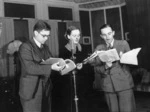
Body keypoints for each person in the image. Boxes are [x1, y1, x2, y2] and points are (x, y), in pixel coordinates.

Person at [89, 24, 136, 112]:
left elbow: (133, 64)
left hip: (124, 83)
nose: (107, 37)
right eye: (104, 35)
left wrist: (125, 59)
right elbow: (95, 68)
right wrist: (105, 66)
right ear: (101, 36)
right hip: (108, 85)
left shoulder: (123, 44)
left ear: (113, 33)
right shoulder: (99, 48)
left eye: (109, 33)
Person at [18, 20, 61, 112]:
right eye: (44, 35)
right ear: (35, 33)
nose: (46, 38)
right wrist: (51, 67)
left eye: (48, 36)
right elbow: (29, 68)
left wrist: (60, 63)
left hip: (46, 88)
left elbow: (50, 60)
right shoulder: (25, 46)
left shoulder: (45, 47)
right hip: (31, 90)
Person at [52, 26, 94, 112]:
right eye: (74, 35)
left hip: (83, 82)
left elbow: (88, 65)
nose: (77, 38)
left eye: (78, 35)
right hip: (69, 82)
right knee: (70, 104)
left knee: (84, 103)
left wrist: (83, 65)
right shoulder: (63, 50)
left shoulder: (84, 48)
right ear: (68, 36)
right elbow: (62, 68)